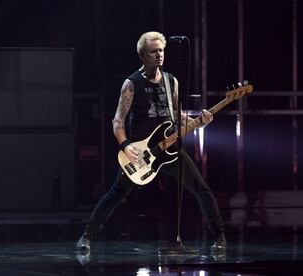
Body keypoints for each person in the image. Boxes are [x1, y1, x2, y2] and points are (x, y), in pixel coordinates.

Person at [76, 31, 226, 254]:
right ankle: (87, 237)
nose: (159, 55)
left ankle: (220, 239)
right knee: (116, 194)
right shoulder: (132, 84)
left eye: (161, 51)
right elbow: (118, 121)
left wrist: (201, 122)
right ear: (142, 55)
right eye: (154, 51)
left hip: (170, 149)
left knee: (201, 189)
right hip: (142, 152)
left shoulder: (171, 81)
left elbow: (178, 118)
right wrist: (126, 146)